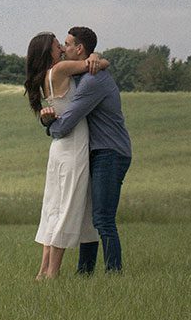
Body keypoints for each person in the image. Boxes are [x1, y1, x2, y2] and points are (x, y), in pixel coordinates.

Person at [39, 26, 132, 274]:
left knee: (102, 216)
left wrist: (49, 126)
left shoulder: (91, 81)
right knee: (88, 215)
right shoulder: (83, 74)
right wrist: (97, 58)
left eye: (67, 44)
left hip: (110, 151)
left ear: (79, 49)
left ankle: (114, 272)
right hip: (94, 150)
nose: (63, 48)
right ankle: (85, 273)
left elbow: (67, 122)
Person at [22, 31, 108, 279]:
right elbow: (101, 65)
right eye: (58, 45)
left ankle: (43, 271)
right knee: (67, 209)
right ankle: (53, 273)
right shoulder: (60, 70)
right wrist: (95, 55)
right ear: (49, 51)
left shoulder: (42, 77)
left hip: (59, 148)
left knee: (53, 209)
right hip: (72, 146)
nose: (61, 48)